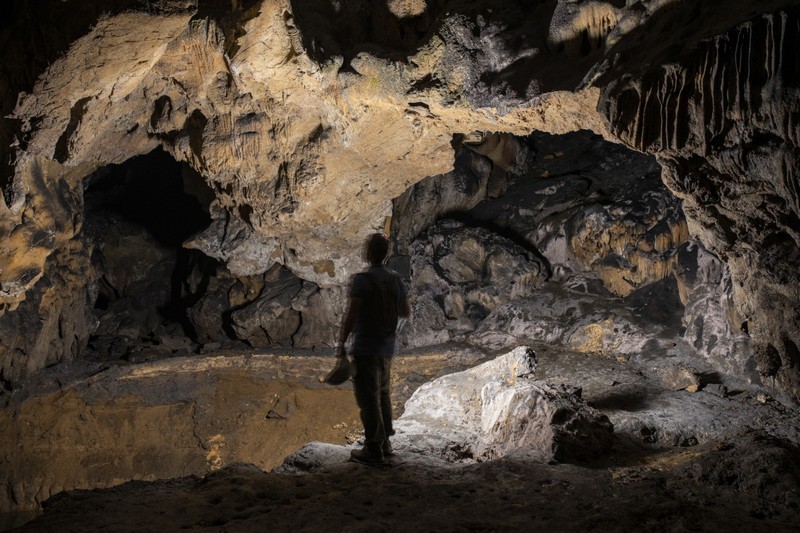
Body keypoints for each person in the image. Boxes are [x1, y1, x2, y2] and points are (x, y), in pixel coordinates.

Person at [336, 233, 411, 464]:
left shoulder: (362, 280)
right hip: (386, 347)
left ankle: (373, 448)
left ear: (369, 253)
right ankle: (386, 443)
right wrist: (390, 327)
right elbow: (406, 312)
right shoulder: (395, 280)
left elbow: (352, 314)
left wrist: (342, 342)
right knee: (383, 394)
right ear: (386, 254)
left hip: (366, 346)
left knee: (368, 397)